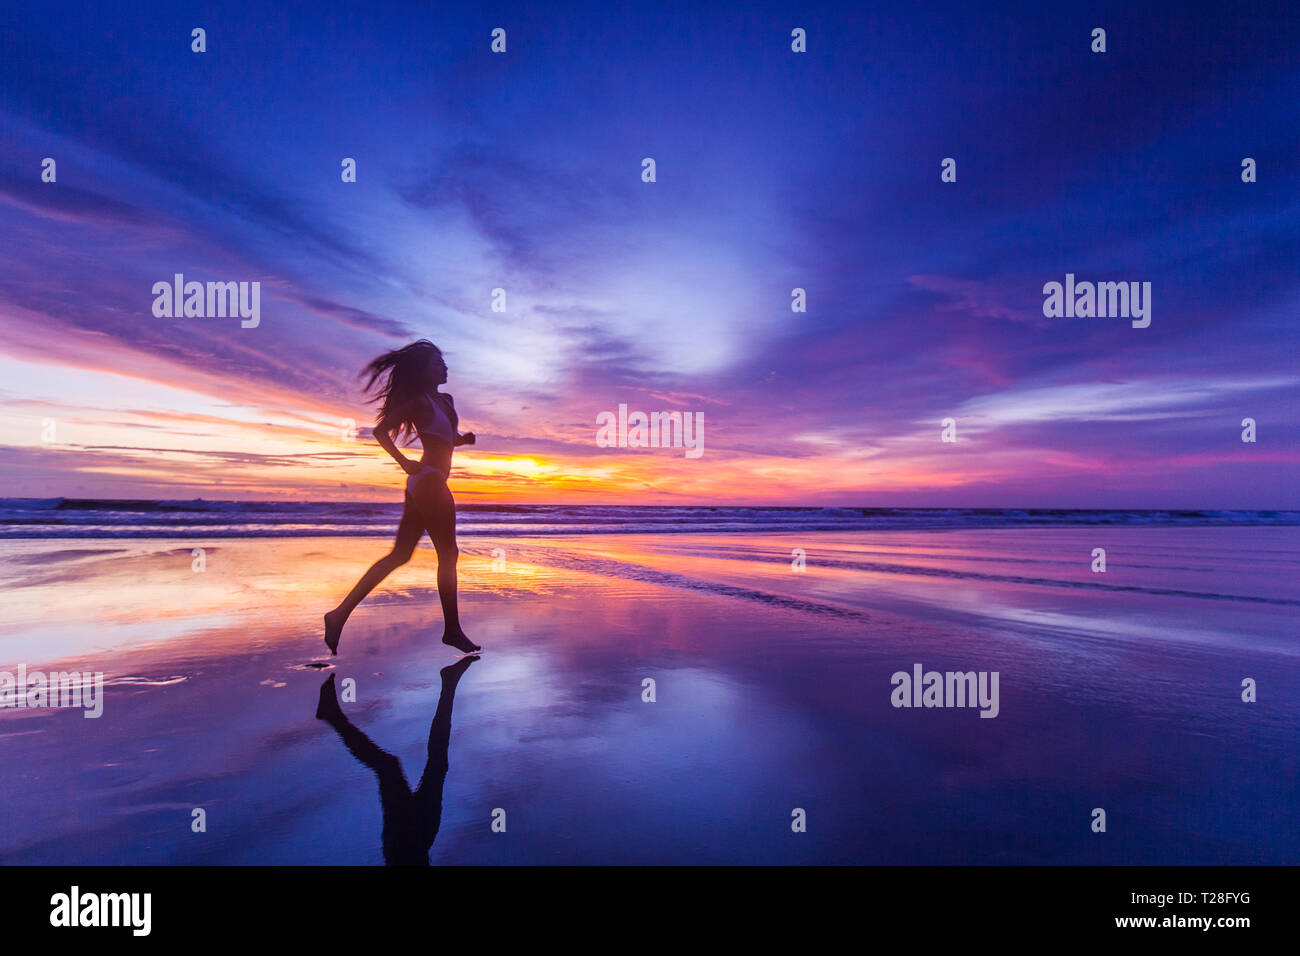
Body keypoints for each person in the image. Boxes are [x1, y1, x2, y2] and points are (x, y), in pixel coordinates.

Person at [324, 340, 480, 655]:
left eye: (443, 362)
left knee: (401, 555)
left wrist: (462, 440)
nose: (445, 367)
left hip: (424, 483)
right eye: (438, 363)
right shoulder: (418, 402)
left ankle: (338, 615)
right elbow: (380, 431)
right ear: (423, 370)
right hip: (429, 483)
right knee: (448, 555)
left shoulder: (445, 400)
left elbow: (444, 440)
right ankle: (451, 630)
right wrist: (402, 461)